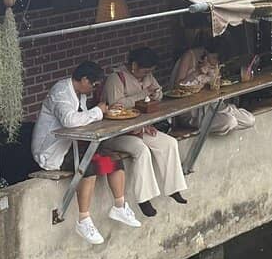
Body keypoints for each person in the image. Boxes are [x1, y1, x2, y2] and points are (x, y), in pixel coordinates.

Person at [32, 61, 141, 244]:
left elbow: (85, 118)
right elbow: (70, 120)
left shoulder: (79, 93)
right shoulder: (61, 93)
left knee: (113, 158)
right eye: (93, 84)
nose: (93, 89)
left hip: (72, 145)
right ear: (84, 80)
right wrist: (98, 111)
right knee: (88, 167)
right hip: (52, 152)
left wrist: (104, 112)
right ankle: (83, 220)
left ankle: (120, 206)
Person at [101, 47, 189, 217]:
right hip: (116, 133)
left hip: (141, 127)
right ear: (134, 65)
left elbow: (158, 93)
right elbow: (116, 106)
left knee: (168, 142)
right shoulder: (116, 79)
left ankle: (174, 188)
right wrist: (142, 95)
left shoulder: (147, 76)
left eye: (150, 71)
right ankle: (144, 198)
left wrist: (156, 94)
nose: (147, 74)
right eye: (144, 70)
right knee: (141, 149)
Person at [170, 40, 256, 135]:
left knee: (249, 119)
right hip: (192, 112)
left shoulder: (216, 64)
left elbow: (215, 86)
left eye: (218, 60)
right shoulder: (190, 56)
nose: (216, 62)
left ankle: (226, 113)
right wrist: (198, 72)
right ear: (206, 53)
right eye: (214, 57)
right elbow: (177, 86)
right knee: (229, 122)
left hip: (214, 105)